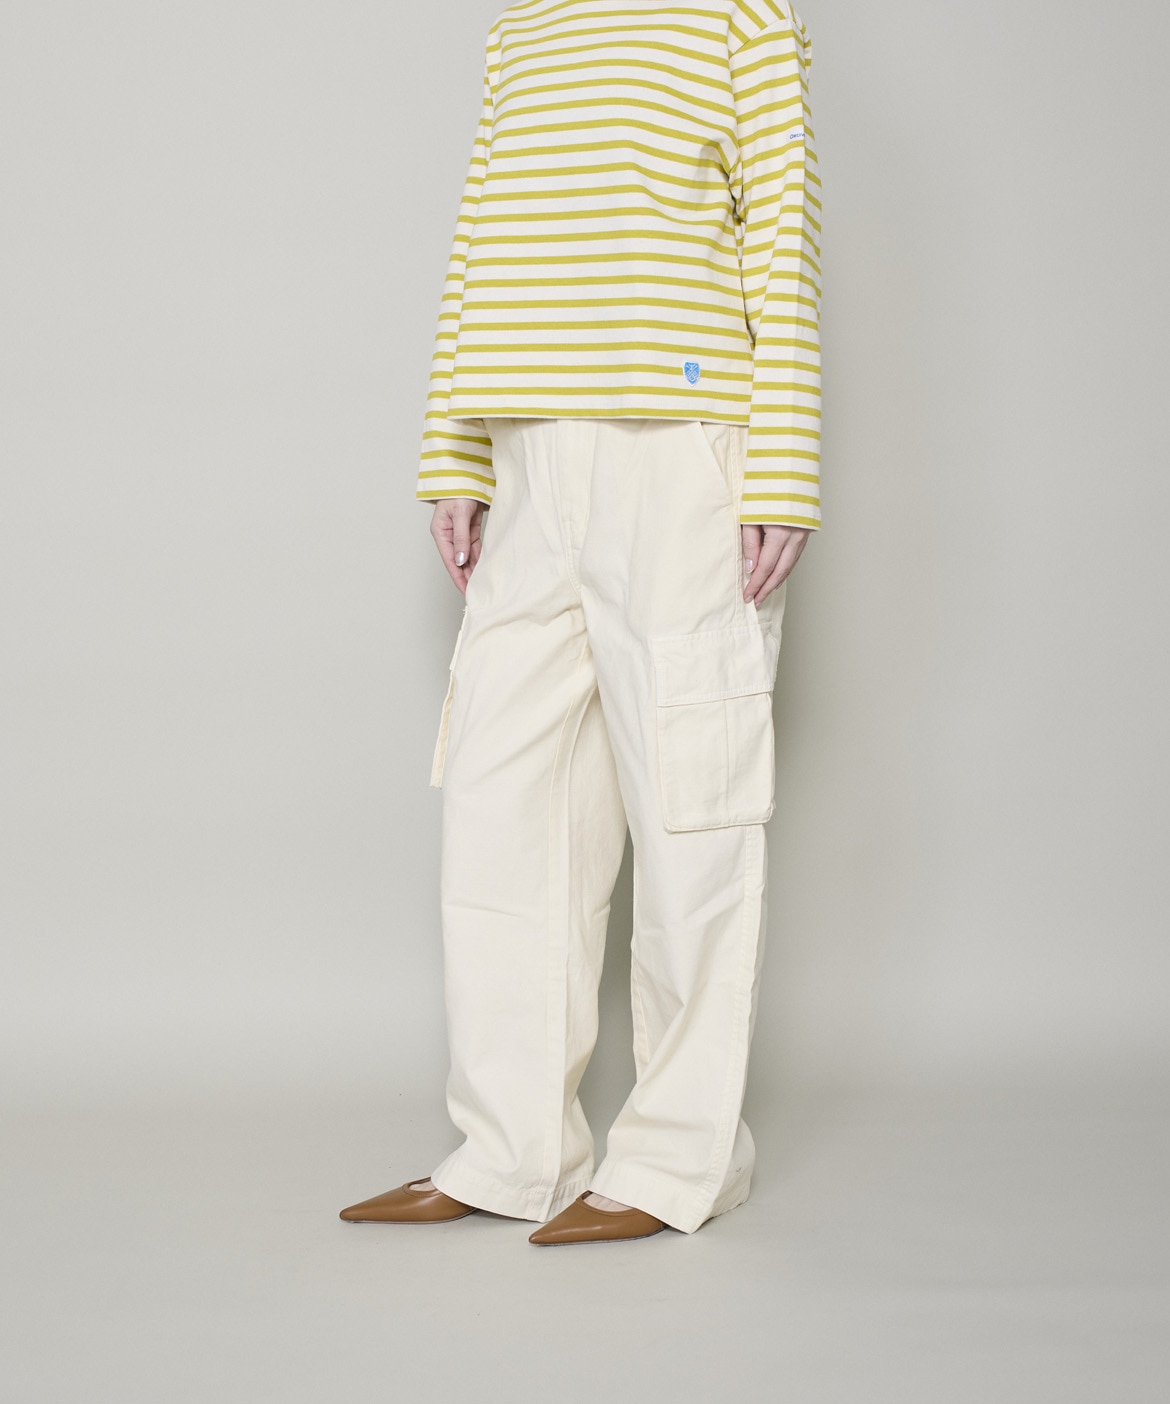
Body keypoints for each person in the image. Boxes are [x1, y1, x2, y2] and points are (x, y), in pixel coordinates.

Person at [341, 0, 822, 1245]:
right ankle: (509, 1152)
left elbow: (783, 239)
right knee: (503, 801)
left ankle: (676, 1162)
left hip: (680, 450)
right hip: (525, 452)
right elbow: (481, 241)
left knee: (690, 805)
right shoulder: (525, 25)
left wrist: (782, 470)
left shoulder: (740, 13)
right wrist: (456, 451)